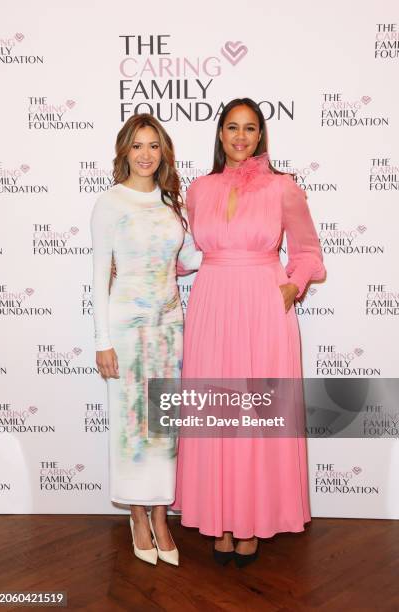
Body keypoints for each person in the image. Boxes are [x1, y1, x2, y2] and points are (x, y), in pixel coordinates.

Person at [172, 98, 326, 567]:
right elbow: (185, 254)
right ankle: (219, 518)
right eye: (232, 128)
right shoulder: (198, 189)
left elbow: (308, 252)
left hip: (263, 305)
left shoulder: (283, 188)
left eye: (251, 129)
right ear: (220, 134)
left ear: (261, 136)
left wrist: (292, 287)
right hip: (212, 305)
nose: (241, 137)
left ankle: (252, 522)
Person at [91, 113, 201, 566]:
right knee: (132, 430)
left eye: (153, 145)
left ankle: (161, 517)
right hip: (126, 331)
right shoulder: (110, 204)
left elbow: (193, 255)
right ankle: (137, 515)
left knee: (163, 427)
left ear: (163, 152)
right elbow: (99, 276)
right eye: (137, 145)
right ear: (124, 151)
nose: (145, 154)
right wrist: (102, 341)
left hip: (170, 328)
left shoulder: (173, 204)